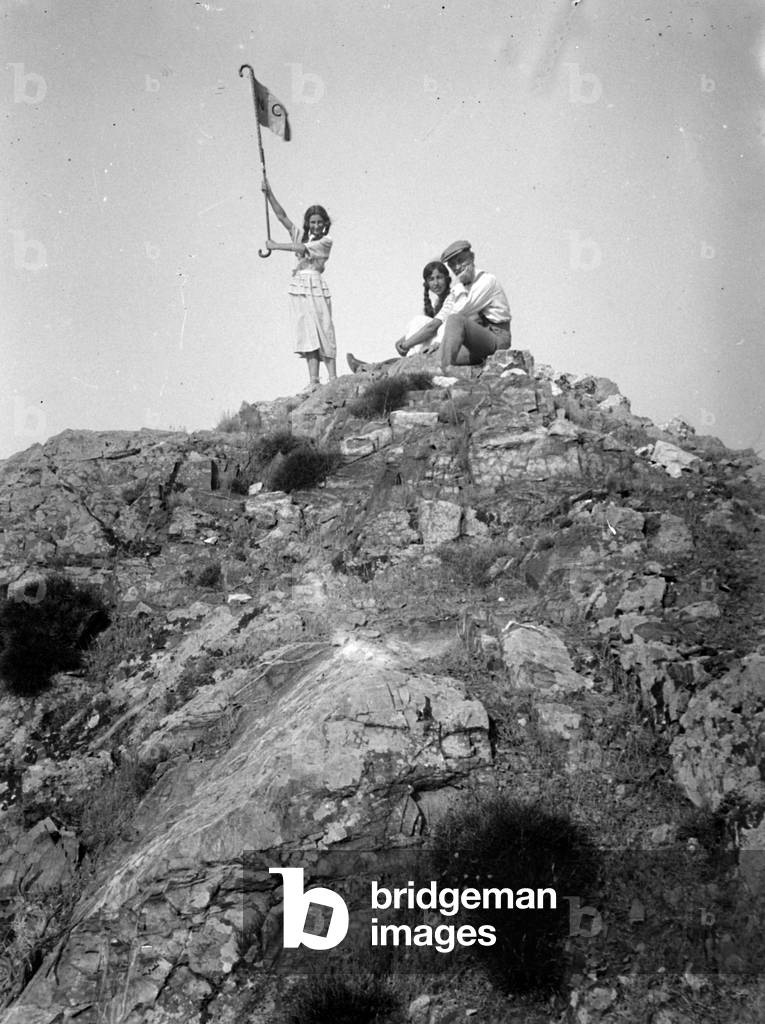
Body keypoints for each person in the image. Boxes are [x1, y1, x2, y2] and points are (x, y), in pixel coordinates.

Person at [261, 178, 337, 388]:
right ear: (308, 223)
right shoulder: (301, 235)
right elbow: (281, 215)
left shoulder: (325, 241)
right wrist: (269, 194)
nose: (316, 225)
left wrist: (275, 246)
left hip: (315, 285)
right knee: (307, 331)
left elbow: (302, 250)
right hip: (299, 286)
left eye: (319, 222)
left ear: (325, 223)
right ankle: (313, 381)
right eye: (312, 222)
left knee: (324, 328)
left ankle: (332, 379)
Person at [346, 260, 453, 373]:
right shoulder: (436, 303)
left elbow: (432, 327)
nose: (436, 283)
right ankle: (372, 367)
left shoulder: (452, 298)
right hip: (434, 343)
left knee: (419, 320)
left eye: (439, 277)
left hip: (443, 343)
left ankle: (373, 369)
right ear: (427, 283)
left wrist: (406, 344)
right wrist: (402, 341)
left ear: (446, 279)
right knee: (419, 323)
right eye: (431, 279)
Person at [437, 240, 511, 373]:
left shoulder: (486, 281)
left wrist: (459, 287)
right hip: (479, 339)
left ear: (472, 258)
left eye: (460, 261)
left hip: (497, 338)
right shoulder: (461, 285)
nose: (457, 267)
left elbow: (460, 311)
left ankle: (443, 374)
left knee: (456, 320)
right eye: (452, 265)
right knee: (437, 355)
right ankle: (438, 370)